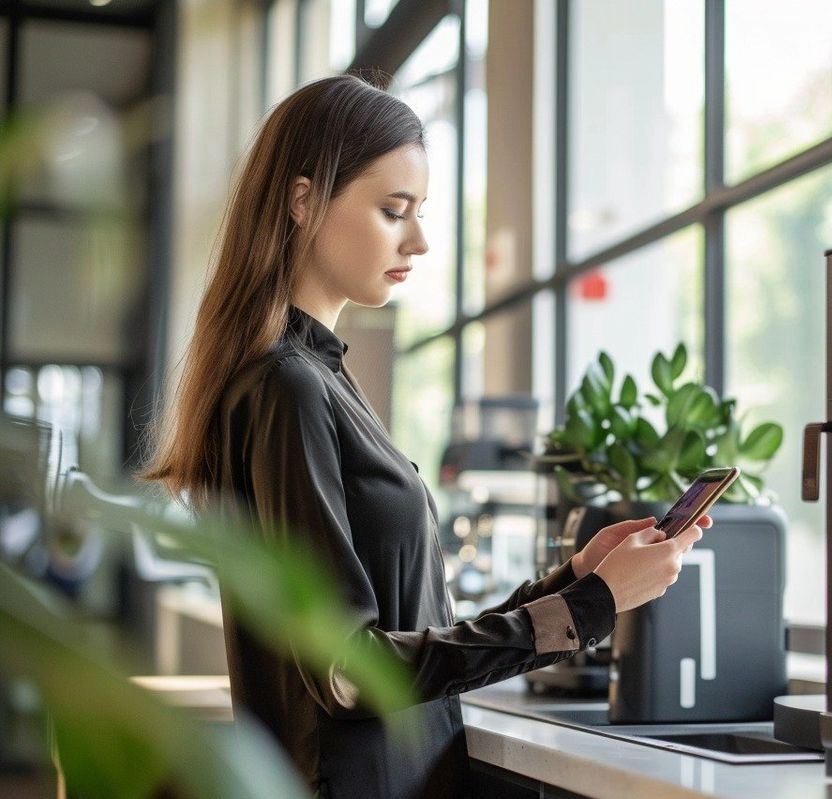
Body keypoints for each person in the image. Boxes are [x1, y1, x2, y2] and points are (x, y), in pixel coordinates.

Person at [137, 74, 709, 798]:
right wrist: (590, 607)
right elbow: (349, 672)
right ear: (303, 199)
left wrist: (576, 580)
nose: (421, 238)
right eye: (392, 209)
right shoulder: (289, 386)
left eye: (419, 211)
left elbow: (408, 632)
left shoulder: (315, 378)